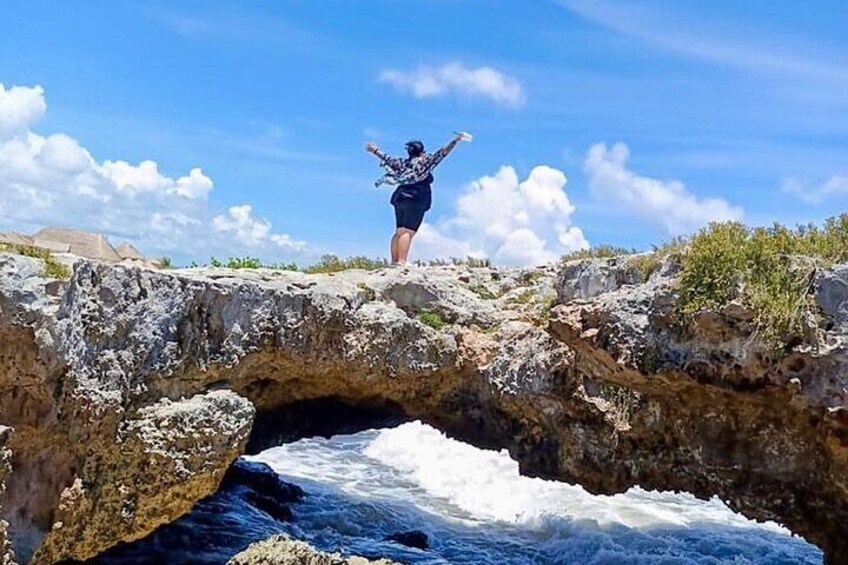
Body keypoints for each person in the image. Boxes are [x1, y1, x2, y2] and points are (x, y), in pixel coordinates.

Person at [365, 133, 466, 265]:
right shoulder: (425, 161)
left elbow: (387, 158)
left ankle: (394, 261)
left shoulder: (402, 163)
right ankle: (402, 261)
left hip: (399, 196)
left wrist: (374, 150)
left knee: (399, 231)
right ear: (422, 152)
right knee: (408, 231)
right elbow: (442, 153)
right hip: (416, 197)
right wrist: (456, 140)